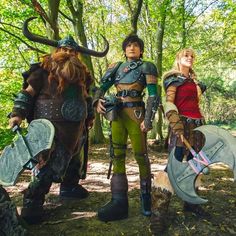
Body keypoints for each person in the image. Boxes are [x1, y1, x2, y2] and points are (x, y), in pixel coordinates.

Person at [8, 17, 108, 224]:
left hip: (76, 127)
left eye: (73, 51)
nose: (70, 53)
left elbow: (88, 98)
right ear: (58, 51)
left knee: (74, 159)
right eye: (66, 50)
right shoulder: (43, 70)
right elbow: (27, 93)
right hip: (49, 128)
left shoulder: (83, 76)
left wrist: (89, 116)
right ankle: (32, 202)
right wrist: (17, 113)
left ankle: (69, 186)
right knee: (49, 164)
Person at [93, 34, 159, 222]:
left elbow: (153, 95)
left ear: (141, 50)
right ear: (124, 49)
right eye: (128, 45)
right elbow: (102, 87)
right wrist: (97, 101)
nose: (132, 48)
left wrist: (148, 119)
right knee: (117, 154)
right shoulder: (115, 67)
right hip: (116, 114)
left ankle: (146, 198)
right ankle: (119, 201)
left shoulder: (147, 66)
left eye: (136, 45)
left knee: (141, 155)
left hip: (137, 114)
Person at [150, 48, 208, 234]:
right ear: (179, 59)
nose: (190, 58)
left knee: (195, 165)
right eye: (186, 56)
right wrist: (174, 120)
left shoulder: (195, 82)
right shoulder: (173, 79)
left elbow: (195, 104)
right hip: (180, 127)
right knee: (172, 167)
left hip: (198, 126)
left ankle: (190, 203)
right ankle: (158, 214)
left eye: (192, 56)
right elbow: (169, 102)